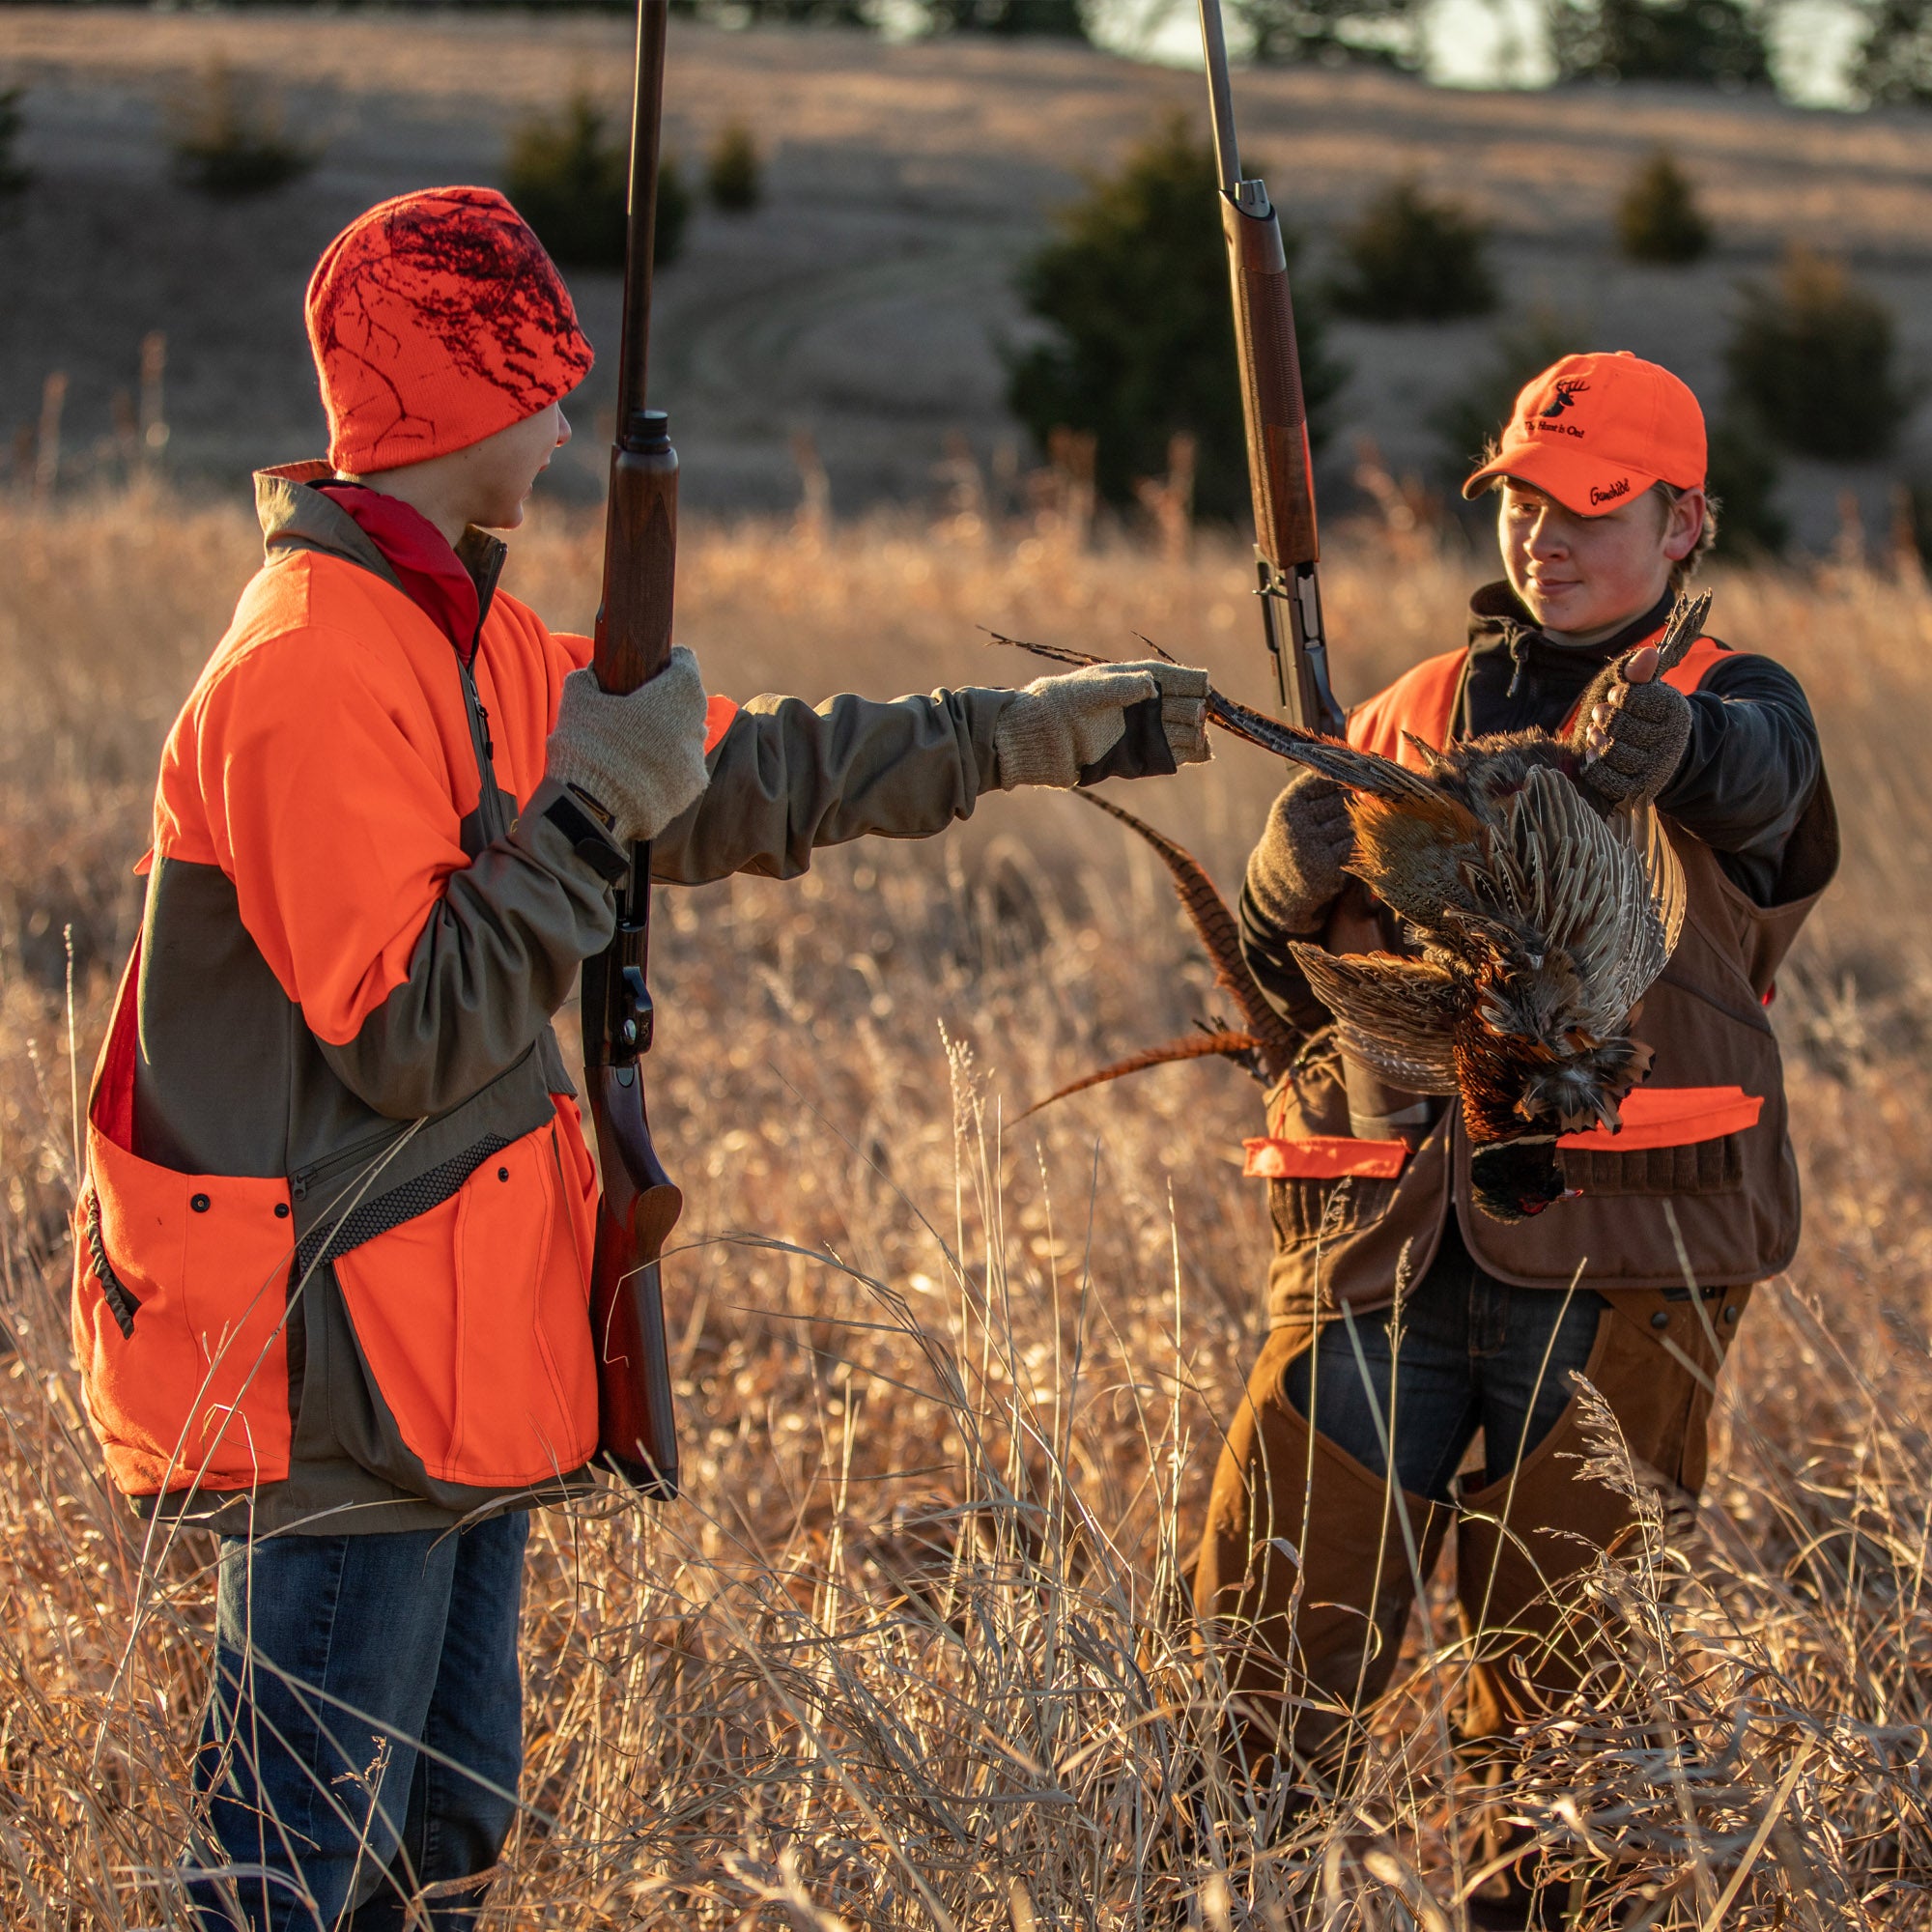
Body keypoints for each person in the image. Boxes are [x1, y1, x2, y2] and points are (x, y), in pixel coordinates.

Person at [68, 185, 1211, 1931]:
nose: (565, 420)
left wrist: (1021, 737)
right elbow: (409, 1029)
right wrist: (595, 803)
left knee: (441, 1839)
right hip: (336, 1370)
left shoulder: (466, 639)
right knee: (289, 1871)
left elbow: (735, 774)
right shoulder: (311, 668)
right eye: (541, 382)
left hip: (446, 1343)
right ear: (465, 400)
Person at [1190, 353, 1836, 1925]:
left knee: (1565, 1732)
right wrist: (1278, 886)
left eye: (1593, 506)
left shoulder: (1742, 703)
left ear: (1687, 522)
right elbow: (1291, 997)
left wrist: (1670, 752)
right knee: (1254, 1680)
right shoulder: (1405, 707)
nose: (1547, 537)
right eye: (1523, 502)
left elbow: (1768, 800)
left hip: (1622, 1265)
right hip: (1376, 1258)